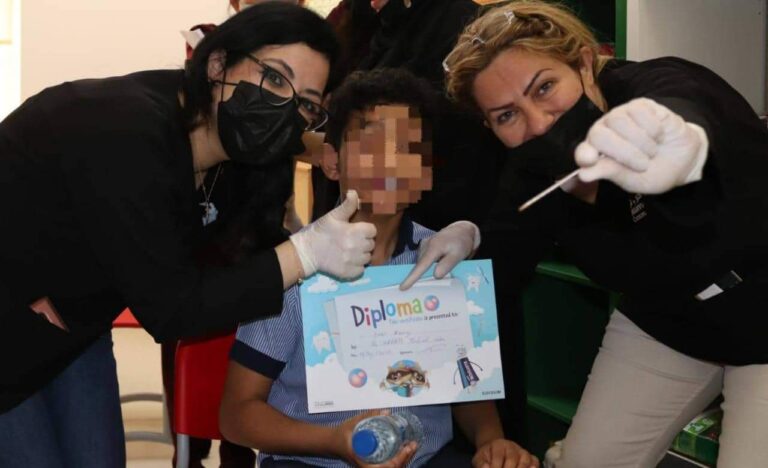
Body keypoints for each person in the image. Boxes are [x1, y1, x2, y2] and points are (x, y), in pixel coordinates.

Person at [0, 3, 477, 466]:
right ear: (217, 64)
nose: (283, 107)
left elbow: (230, 266)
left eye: (306, 103)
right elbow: (173, 310)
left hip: (75, 319)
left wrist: (470, 232)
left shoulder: (239, 159)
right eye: (274, 78)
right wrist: (304, 254)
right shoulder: (126, 130)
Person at [442, 1, 768, 467]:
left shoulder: (655, 88)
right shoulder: (531, 169)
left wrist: (683, 140)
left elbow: (683, 103)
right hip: (666, 322)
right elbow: (499, 259)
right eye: (506, 115)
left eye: (545, 87)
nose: (539, 122)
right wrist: (466, 243)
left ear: (583, 62)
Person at [219, 68, 539, 468]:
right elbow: (237, 414)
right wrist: (334, 441)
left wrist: (491, 441)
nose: (391, 164)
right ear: (332, 162)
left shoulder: (444, 259)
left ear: (426, 171)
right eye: (372, 146)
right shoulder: (291, 269)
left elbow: (465, 384)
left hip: (426, 460)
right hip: (311, 461)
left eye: (409, 149)